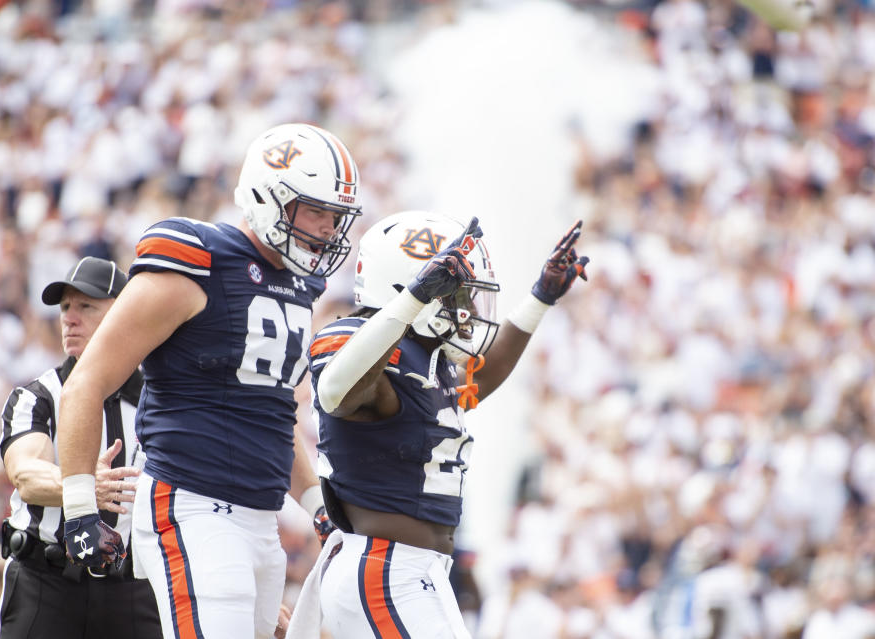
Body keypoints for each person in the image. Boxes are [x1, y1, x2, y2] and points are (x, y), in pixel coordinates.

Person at [56, 123, 362, 639]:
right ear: (270, 199)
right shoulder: (197, 260)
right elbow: (85, 382)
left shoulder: (298, 285)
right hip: (193, 503)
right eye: (316, 211)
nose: (328, 230)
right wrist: (80, 508)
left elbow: (271, 416)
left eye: (335, 217)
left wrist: (317, 508)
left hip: (261, 520)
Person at [286, 210, 589, 638]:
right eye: (456, 293)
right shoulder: (359, 342)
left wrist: (539, 298)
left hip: (407, 570)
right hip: (387, 570)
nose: (466, 308)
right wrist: (412, 300)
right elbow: (336, 391)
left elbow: (479, 380)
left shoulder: (426, 359)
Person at [0, 256, 161, 639]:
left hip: (134, 587)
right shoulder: (36, 396)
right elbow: (26, 475)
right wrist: (83, 486)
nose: (70, 317)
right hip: (46, 581)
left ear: (124, 315)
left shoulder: (162, 404)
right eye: (66, 307)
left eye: (86, 305)